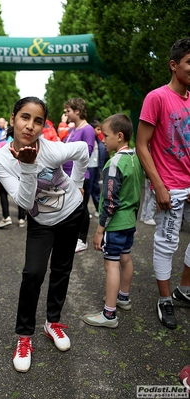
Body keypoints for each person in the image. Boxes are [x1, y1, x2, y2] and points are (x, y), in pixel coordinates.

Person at [0, 96, 89, 373]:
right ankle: (24, 337)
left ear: (43, 125)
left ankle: (52, 322)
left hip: (71, 213)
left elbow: (82, 150)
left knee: (62, 269)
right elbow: (24, 201)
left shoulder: (53, 150)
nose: (30, 126)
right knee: (33, 273)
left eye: (37, 121)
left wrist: (78, 184)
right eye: (24, 117)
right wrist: (30, 166)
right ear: (12, 119)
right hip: (41, 222)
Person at [136, 37, 190, 329]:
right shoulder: (156, 97)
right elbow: (142, 145)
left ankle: (183, 288)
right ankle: (165, 299)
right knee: (167, 244)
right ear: (174, 65)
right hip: (169, 185)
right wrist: (158, 185)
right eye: (189, 61)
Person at [82, 114, 143, 328]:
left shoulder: (113, 163)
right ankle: (123, 298)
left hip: (115, 225)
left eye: (105, 136)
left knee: (112, 265)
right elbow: (136, 193)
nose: (102, 140)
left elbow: (109, 202)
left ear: (119, 136)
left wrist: (99, 231)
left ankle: (109, 314)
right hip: (129, 222)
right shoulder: (136, 159)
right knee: (125, 258)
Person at [62, 97, 95, 252]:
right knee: (72, 207)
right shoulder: (72, 129)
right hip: (66, 175)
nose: (66, 114)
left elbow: (86, 152)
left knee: (81, 207)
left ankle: (82, 239)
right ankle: (74, 236)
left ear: (77, 111)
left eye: (68, 111)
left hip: (79, 176)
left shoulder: (87, 129)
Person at [85, 118, 108, 218]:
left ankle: (98, 209)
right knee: (87, 190)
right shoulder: (88, 139)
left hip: (95, 167)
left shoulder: (97, 141)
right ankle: (84, 212)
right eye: (98, 129)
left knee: (96, 189)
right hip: (88, 167)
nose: (100, 132)